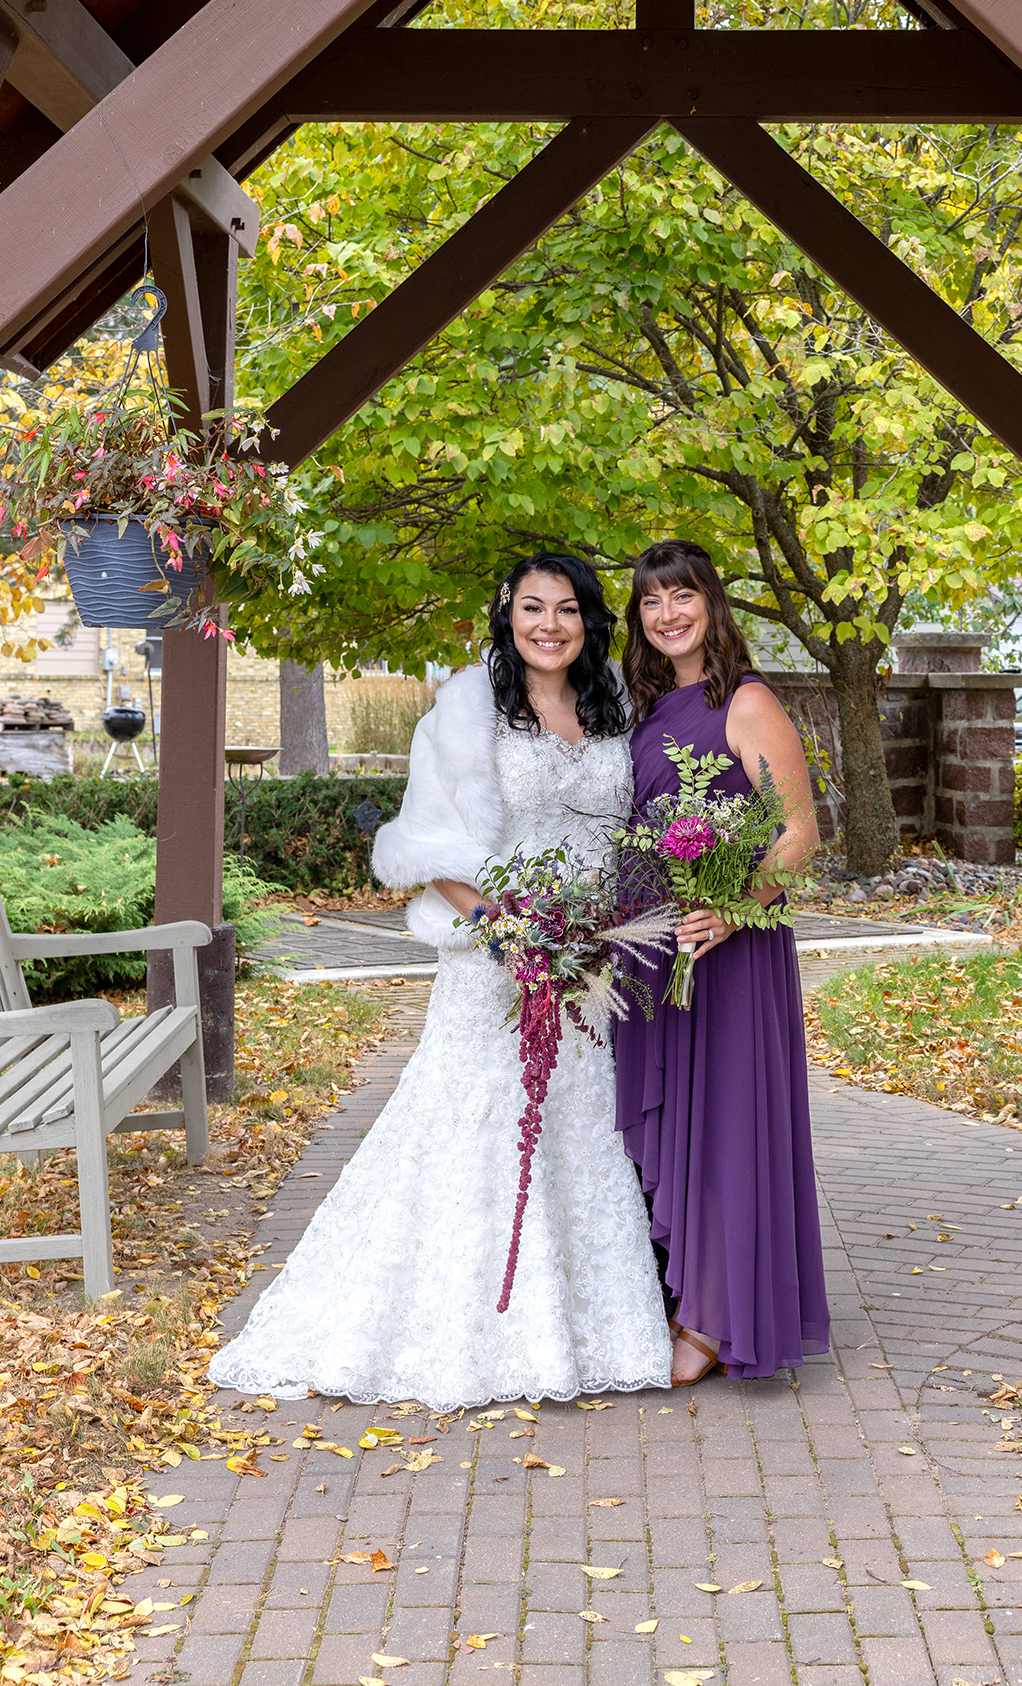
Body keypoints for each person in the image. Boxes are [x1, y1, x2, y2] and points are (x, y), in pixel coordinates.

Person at [208, 553, 672, 1412]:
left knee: (577, 1124)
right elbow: (430, 845)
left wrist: (592, 932)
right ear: (507, 613)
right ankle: (466, 1326)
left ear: (589, 620)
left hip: (590, 959)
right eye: (532, 607)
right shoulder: (465, 708)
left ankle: (584, 1328)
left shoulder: (615, 702)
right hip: (494, 955)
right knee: (476, 1121)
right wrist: (511, 932)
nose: (549, 625)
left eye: (567, 609)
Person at [615, 538, 830, 1387]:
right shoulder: (644, 710)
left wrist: (733, 907)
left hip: (727, 946)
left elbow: (799, 831)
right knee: (678, 1123)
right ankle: (684, 1292)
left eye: (681, 596)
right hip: (654, 948)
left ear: (711, 602)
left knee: (726, 1126)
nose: (667, 614)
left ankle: (713, 1319)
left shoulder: (745, 702)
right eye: (650, 601)